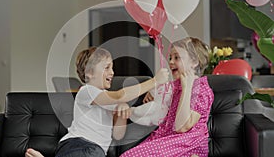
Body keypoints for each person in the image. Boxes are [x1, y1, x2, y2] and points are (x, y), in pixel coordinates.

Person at [25, 46, 169, 157]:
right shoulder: (86, 91)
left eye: (112, 67)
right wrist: (155, 81)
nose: (112, 72)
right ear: (89, 72)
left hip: (97, 150)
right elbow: (119, 95)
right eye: (107, 67)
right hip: (79, 144)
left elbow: (118, 134)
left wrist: (122, 112)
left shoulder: (107, 98)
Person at [121, 37, 214, 157]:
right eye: (170, 57)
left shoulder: (201, 89)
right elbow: (162, 93)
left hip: (187, 143)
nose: (170, 62)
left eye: (177, 57)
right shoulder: (175, 86)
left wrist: (186, 89)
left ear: (194, 62)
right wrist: (154, 92)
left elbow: (182, 126)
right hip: (166, 138)